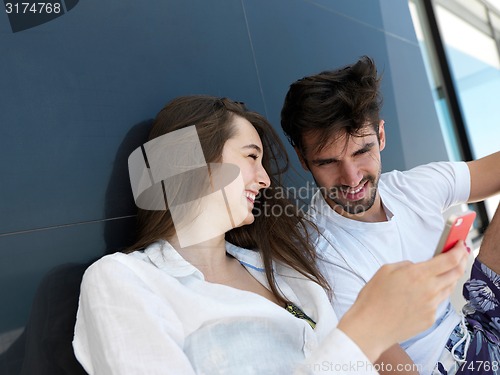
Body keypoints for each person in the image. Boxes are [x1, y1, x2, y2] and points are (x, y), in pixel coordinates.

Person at [72, 95, 467, 374]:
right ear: (192, 160)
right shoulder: (122, 281)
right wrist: (364, 333)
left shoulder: (285, 272)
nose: (263, 179)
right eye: (250, 157)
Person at [280, 56, 500, 374]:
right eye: (327, 162)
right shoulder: (319, 256)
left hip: (477, 329)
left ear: (381, 136)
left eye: (362, 151)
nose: (352, 177)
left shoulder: (410, 187)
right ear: (303, 159)